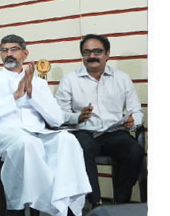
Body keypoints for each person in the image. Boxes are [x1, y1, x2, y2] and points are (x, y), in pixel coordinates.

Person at [0, 34, 91, 216]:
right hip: (5, 134)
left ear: (25, 53)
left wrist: (32, 94)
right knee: (27, 143)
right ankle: (22, 209)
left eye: (14, 49)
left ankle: (67, 207)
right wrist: (15, 97)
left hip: (39, 133)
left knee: (68, 140)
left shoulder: (39, 83)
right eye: (4, 50)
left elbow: (57, 120)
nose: (8, 54)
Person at [55, 34, 145, 206]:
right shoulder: (70, 80)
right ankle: (95, 202)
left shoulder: (122, 78)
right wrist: (77, 117)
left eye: (97, 51)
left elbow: (137, 111)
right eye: (87, 52)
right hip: (83, 131)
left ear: (107, 54)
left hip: (113, 132)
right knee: (81, 147)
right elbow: (59, 114)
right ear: (82, 56)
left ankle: (121, 201)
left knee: (134, 150)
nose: (92, 56)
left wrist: (133, 121)